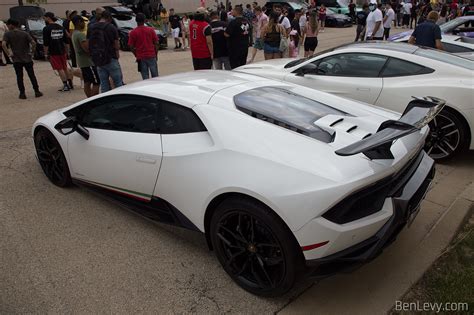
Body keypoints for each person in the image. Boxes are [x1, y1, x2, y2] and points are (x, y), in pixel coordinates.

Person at [3, 19, 43, 99]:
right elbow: (33, 43)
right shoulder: (24, 33)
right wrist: (32, 52)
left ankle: (22, 93)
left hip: (16, 59)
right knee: (32, 75)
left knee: (19, 76)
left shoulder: (8, 34)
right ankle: (37, 91)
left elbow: (4, 44)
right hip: (27, 58)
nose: (7, 26)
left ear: (11, 25)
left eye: (8, 25)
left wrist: (9, 54)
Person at [87, 10, 123, 92]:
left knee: (104, 83)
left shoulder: (91, 27)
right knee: (118, 82)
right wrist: (117, 55)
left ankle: (105, 102)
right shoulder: (111, 27)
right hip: (111, 58)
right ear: (109, 18)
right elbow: (116, 45)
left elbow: (88, 43)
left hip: (98, 59)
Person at [43, 12, 73, 92]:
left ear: (48, 18)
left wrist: (45, 54)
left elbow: (46, 43)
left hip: (53, 51)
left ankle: (65, 85)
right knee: (65, 67)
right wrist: (68, 51)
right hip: (62, 50)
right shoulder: (61, 27)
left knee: (59, 69)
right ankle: (70, 83)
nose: (44, 19)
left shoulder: (46, 29)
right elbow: (66, 41)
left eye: (44, 18)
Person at [71, 15, 99, 97]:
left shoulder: (74, 34)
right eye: (83, 22)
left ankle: (89, 98)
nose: (84, 24)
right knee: (96, 82)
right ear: (79, 22)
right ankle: (94, 100)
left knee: (87, 82)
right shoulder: (80, 35)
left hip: (82, 62)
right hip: (88, 62)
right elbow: (86, 49)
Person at [128, 13, 159, 80]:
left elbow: (131, 46)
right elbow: (156, 43)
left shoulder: (133, 32)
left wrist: (136, 54)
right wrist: (156, 54)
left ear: (136, 20)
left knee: (145, 79)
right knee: (156, 77)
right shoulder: (150, 30)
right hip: (151, 55)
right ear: (145, 20)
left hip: (141, 57)